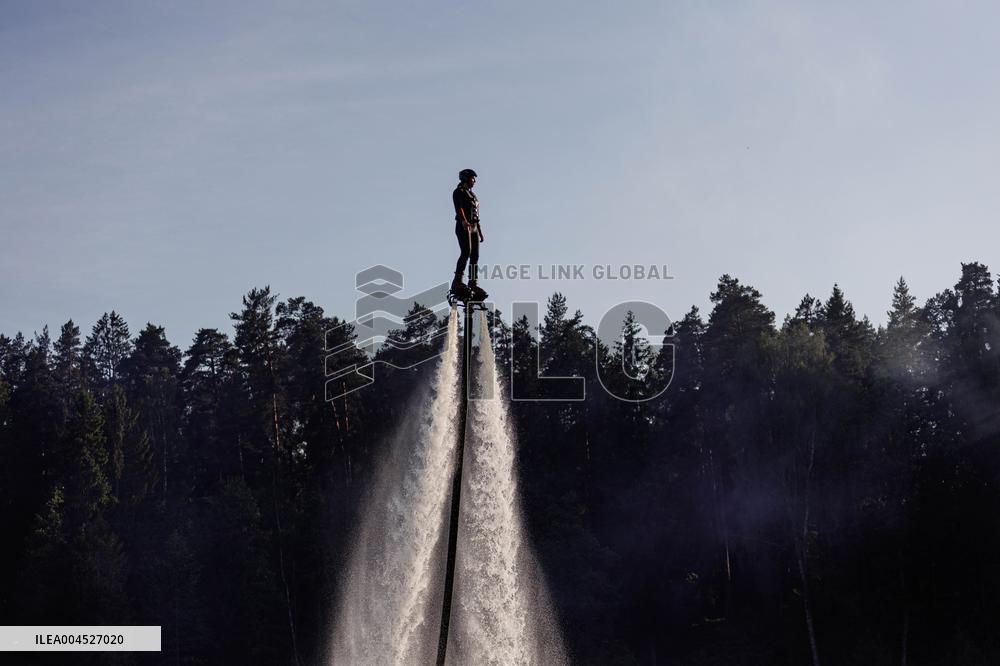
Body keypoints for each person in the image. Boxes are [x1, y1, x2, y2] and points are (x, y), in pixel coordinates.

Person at [451, 168, 487, 300]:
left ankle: (473, 283)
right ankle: (457, 281)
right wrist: (464, 221)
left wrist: (480, 231)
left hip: (474, 228)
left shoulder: (473, 195)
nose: (474, 181)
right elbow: (459, 208)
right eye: (473, 178)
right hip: (463, 225)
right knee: (466, 252)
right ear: (466, 178)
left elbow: (476, 215)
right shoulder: (459, 192)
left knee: (475, 256)